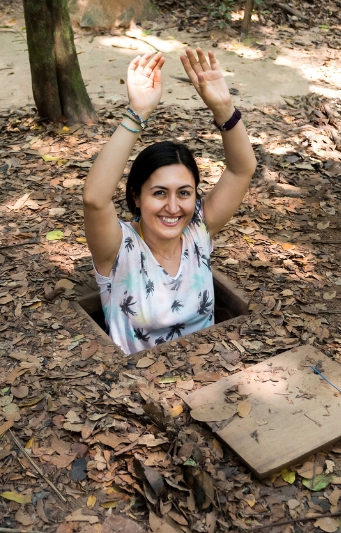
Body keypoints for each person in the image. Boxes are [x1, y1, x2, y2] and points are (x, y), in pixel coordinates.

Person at [82, 48, 257, 355]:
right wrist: (137, 114)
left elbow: (242, 169)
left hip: (210, 377)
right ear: (136, 195)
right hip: (137, 392)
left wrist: (225, 109)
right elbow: (95, 199)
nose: (174, 208)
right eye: (159, 193)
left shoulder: (198, 230)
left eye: (184, 193)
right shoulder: (118, 249)